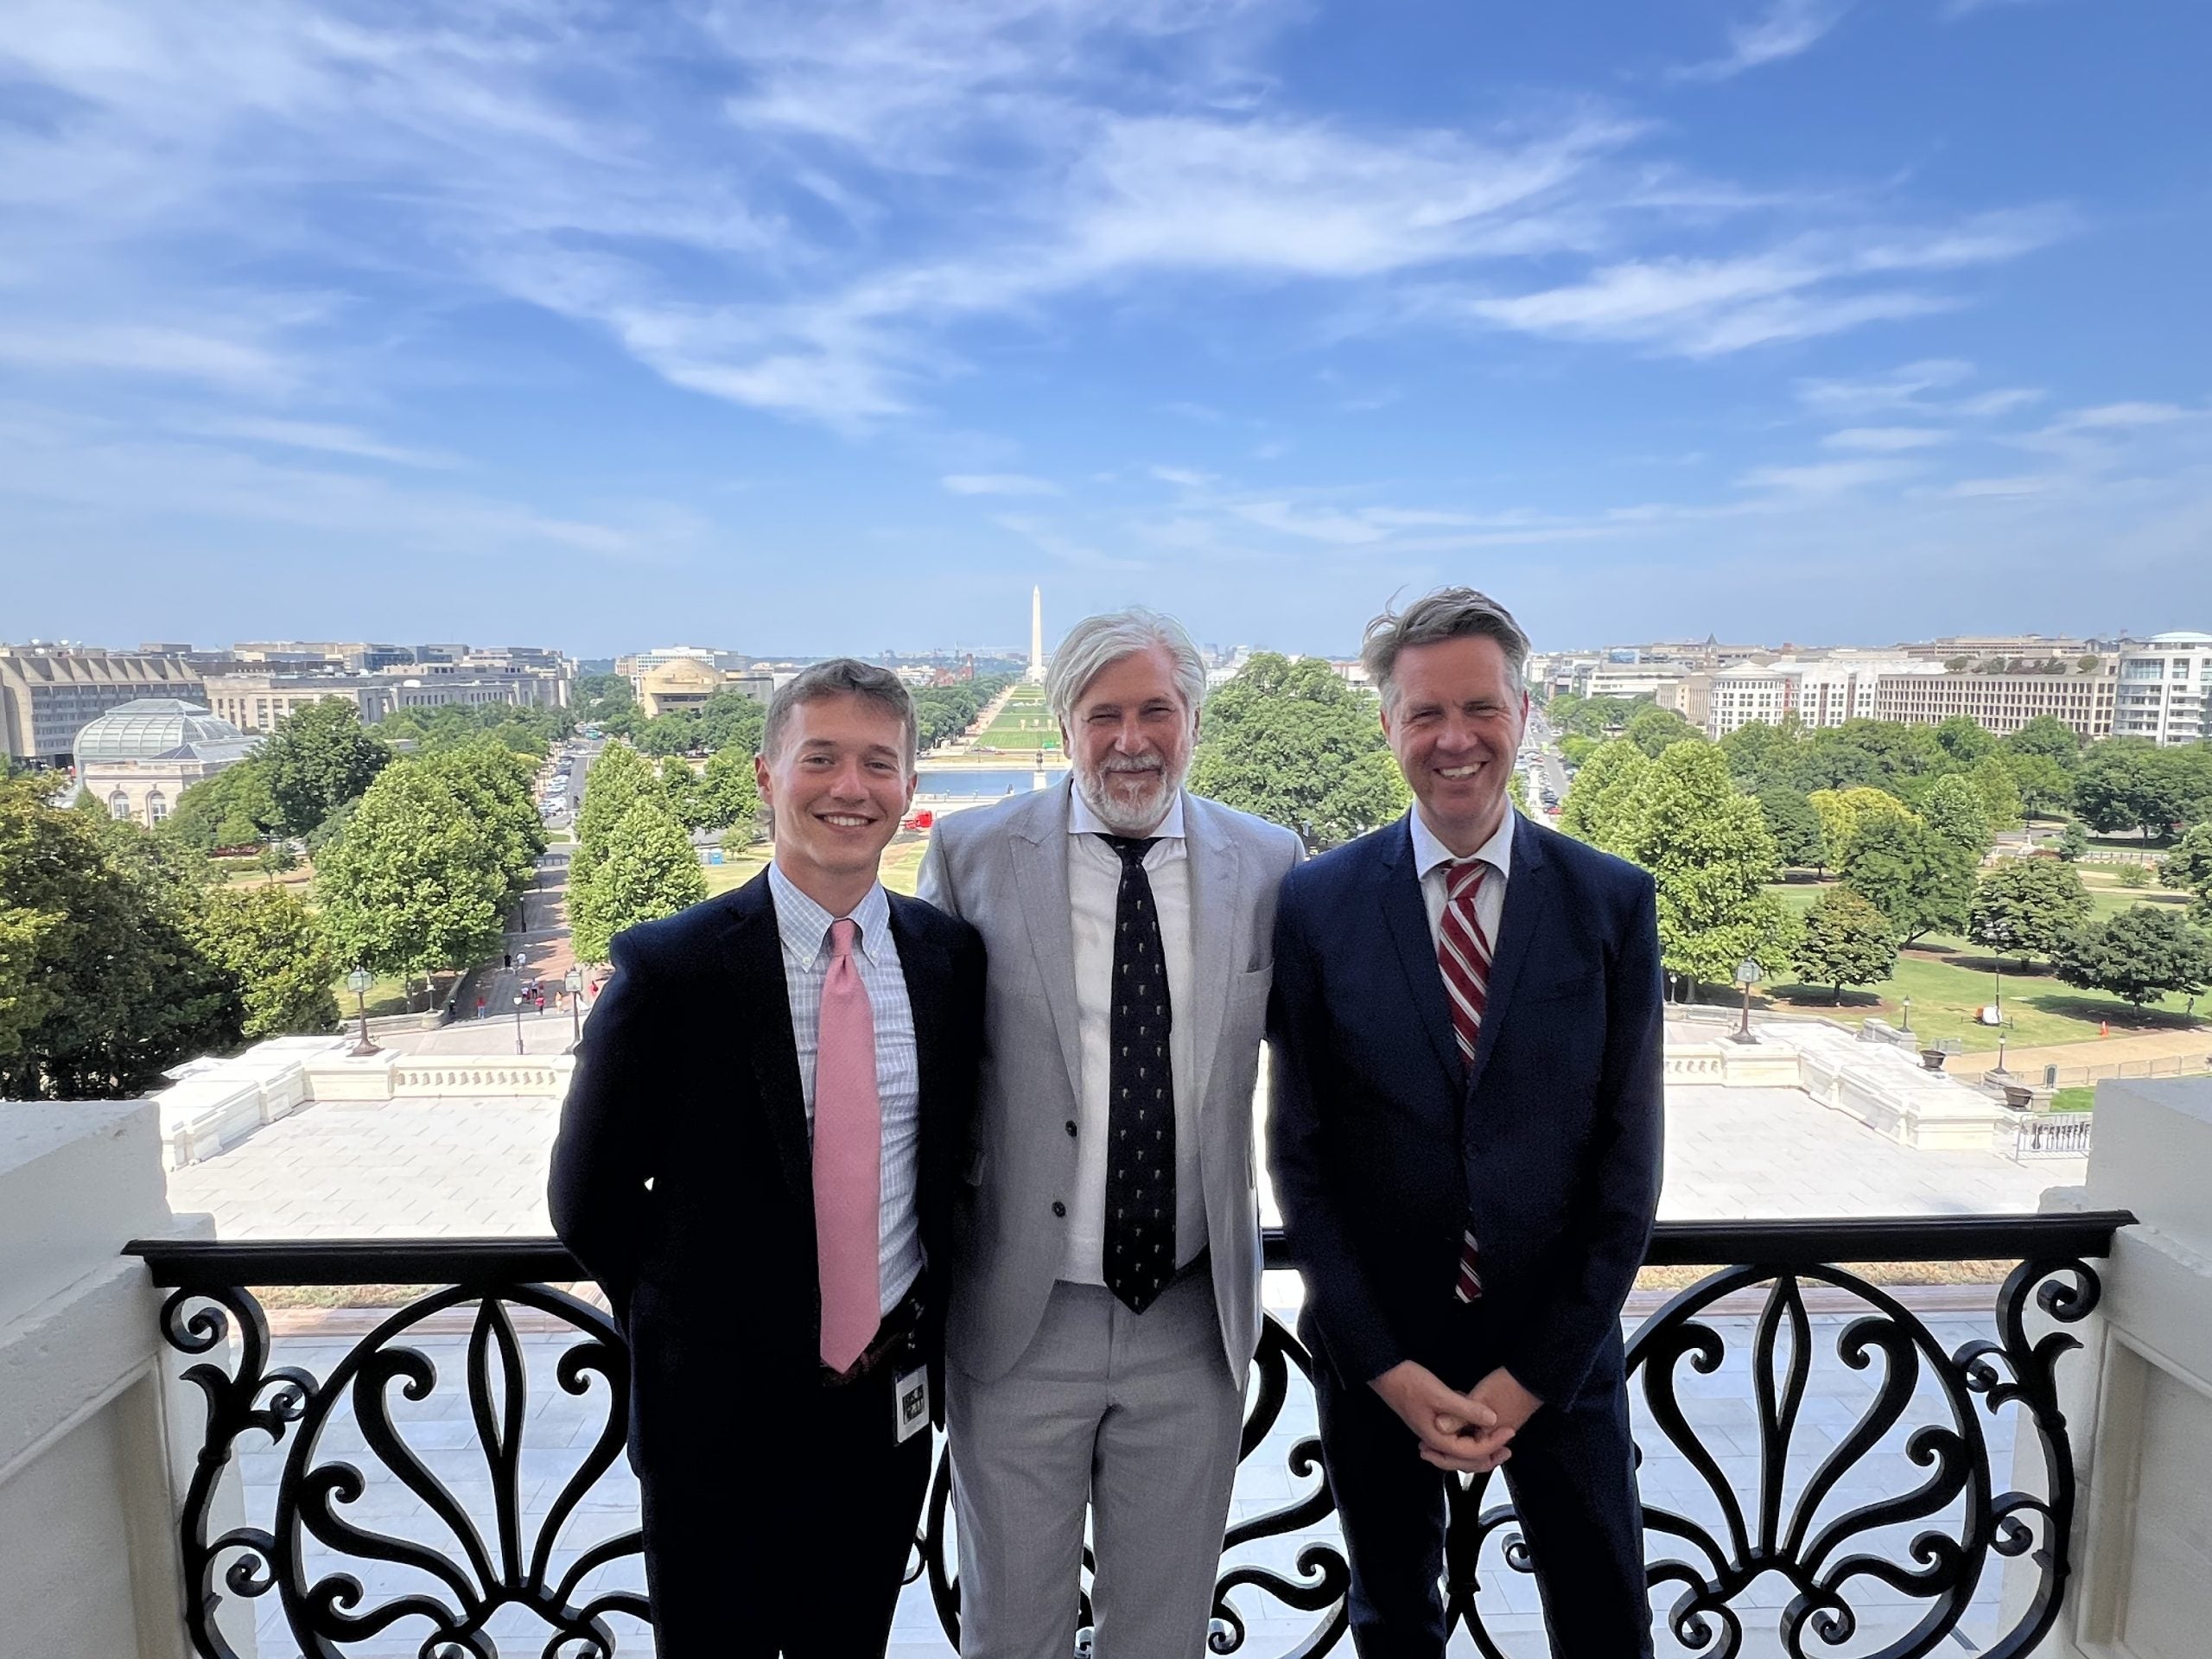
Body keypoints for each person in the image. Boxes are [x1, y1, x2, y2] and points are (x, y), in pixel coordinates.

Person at [550, 658, 987, 1658]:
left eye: (879, 763)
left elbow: (945, 1172)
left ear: (909, 790)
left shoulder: (947, 962)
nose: (850, 788)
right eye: (820, 758)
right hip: (715, 1414)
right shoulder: (675, 967)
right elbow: (587, 1198)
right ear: (766, 775)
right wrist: (690, 1323)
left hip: (881, 1411)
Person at [1268, 587, 1664, 1657]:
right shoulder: (1314, 905)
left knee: (1604, 1621)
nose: (1454, 740)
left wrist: (1532, 1376)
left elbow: (1626, 1173)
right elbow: (1299, 1161)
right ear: (1387, 728)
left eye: (1480, 709)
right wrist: (1386, 1368)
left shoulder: (1610, 903)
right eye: (1423, 714)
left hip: (1559, 1356)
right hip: (1380, 1359)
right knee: (1394, 1624)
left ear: (1524, 716)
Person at [919, 608, 1303, 1658]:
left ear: (1192, 721)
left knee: (1163, 1633)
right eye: (1102, 716)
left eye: (1156, 711)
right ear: (1064, 726)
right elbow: (927, 1082)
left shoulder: (1270, 864)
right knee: (1012, 1630)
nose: (1130, 739)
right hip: (1018, 1320)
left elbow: (1327, 1071)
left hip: (1189, 1319)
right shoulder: (971, 853)